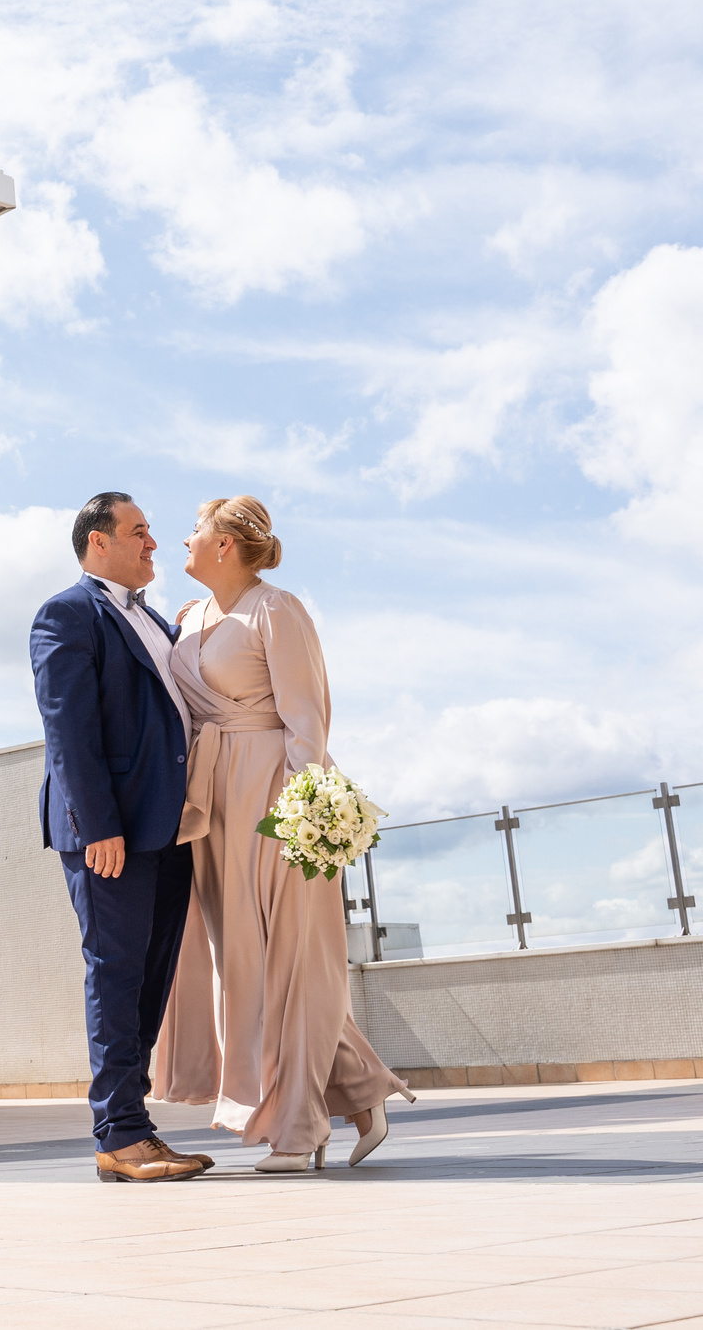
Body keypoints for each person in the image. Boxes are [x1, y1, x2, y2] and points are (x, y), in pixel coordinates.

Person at [153, 496, 412, 1171]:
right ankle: (360, 1089)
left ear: (227, 545)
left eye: (196, 528)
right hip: (210, 806)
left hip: (273, 796)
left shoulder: (278, 609)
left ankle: (299, 1128)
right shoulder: (187, 618)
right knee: (244, 968)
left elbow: (307, 720)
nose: (183, 536)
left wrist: (307, 817)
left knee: (290, 961)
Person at [28, 493, 210, 1183]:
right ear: (98, 542)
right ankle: (118, 1133)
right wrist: (99, 825)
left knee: (151, 978)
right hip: (110, 835)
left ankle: (133, 1126)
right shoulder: (67, 613)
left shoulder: (157, 620)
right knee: (115, 971)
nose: (154, 543)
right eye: (139, 532)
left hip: (167, 832)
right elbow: (67, 729)